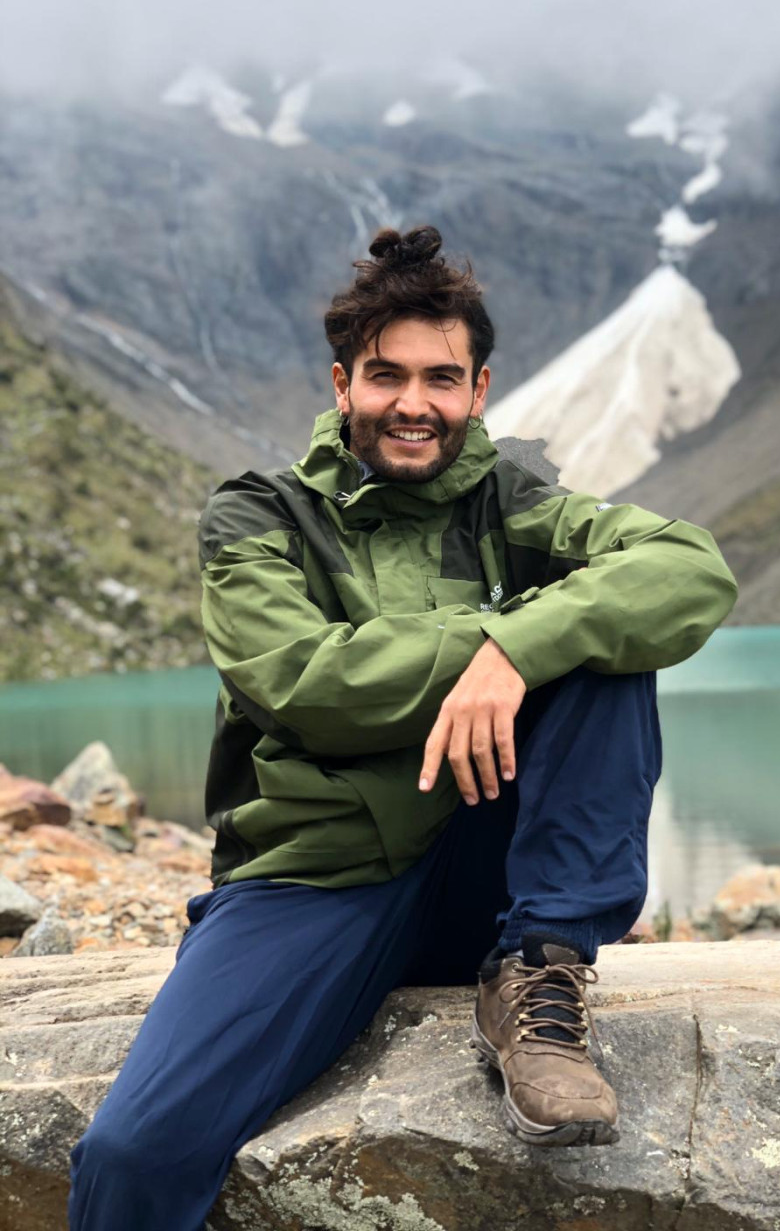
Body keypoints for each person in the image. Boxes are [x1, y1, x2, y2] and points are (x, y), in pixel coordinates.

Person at [68, 224, 738, 1229]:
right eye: (386, 375)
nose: (413, 403)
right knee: (133, 1149)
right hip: (315, 877)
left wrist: (520, 651)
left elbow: (688, 569)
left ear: (479, 390)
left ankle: (540, 972)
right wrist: (495, 641)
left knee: (609, 644)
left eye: (441, 379)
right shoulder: (260, 516)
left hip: (487, 871)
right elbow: (303, 682)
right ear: (344, 385)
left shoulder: (514, 502)